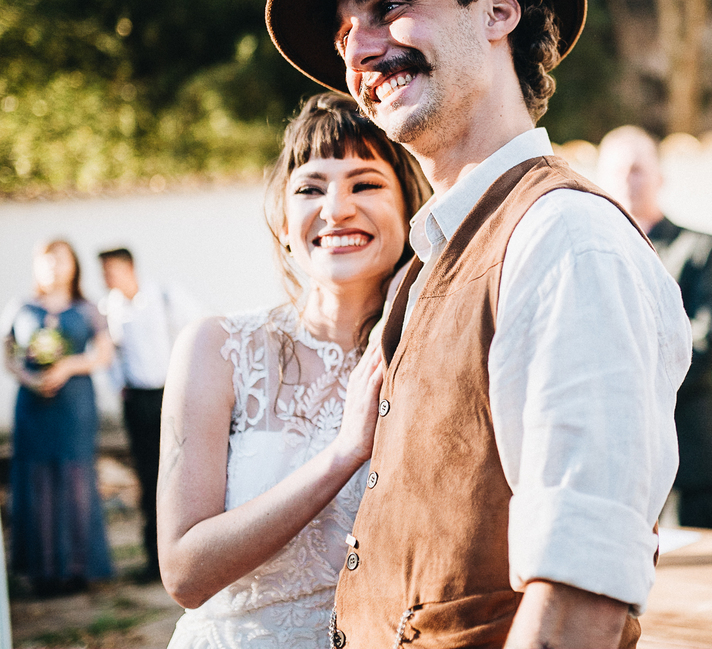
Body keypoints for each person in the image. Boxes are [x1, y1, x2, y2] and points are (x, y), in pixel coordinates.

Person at [265, 0, 691, 648]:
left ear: (498, 13)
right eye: (343, 34)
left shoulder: (565, 236)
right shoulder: (426, 260)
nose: (359, 51)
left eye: (388, 7)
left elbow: (582, 593)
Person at [157, 92, 429, 647]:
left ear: (409, 211)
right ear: (284, 222)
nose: (337, 209)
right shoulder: (217, 350)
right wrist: (344, 452)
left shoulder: (433, 355)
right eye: (310, 188)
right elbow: (185, 575)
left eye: (365, 184)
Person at [596, 125, 712, 530]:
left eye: (638, 169)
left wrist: (621, 380)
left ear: (660, 176)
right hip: (614, 455)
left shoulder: (702, 248)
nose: (628, 180)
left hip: (688, 446)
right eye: (618, 171)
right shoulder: (593, 255)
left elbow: (704, 342)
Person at [2, 239, 114, 596]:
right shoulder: (21, 306)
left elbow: (104, 355)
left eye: (61, 259)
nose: (54, 266)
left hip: (74, 404)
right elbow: (7, 352)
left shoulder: (88, 308)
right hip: (33, 406)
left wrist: (67, 367)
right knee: (35, 480)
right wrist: (29, 378)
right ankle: (43, 571)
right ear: (37, 265)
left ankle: (78, 568)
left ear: (73, 265)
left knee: (75, 478)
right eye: (47, 260)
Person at [98, 247, 206, 582]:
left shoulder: (165, 297)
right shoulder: (110, 308)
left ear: (128, 267)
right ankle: (154, 558)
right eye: (103, 272)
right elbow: (110, 357)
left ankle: (191, 551)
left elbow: (201, 331)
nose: (106, 278)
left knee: (180, 472)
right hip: (136, 400)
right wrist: (119, 388)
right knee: (148, 478)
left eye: (111, 270)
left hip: (170, 393)